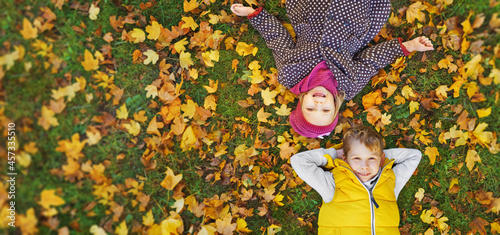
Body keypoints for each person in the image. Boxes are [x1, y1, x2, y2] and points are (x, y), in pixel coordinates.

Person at [231, 1, 434, 138]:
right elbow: (371, 61)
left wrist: (254, 15)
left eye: (311, 108)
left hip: (311, 12)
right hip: (351, 20)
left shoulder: (290, 75)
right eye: (325, 109)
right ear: (334, 107)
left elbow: (277, 40)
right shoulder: (348, 86)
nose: (319, 102)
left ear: (300, 104)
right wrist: (408, 46)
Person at [290, 125, 422, 234]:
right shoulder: (334, 183)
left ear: (381, 159)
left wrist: (380, 155)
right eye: (357, 158)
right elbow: (299, 161)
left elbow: (414, 156)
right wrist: (336, 154)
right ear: (345, 159)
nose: (364, 166)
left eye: (371, 159)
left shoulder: (391, 181)